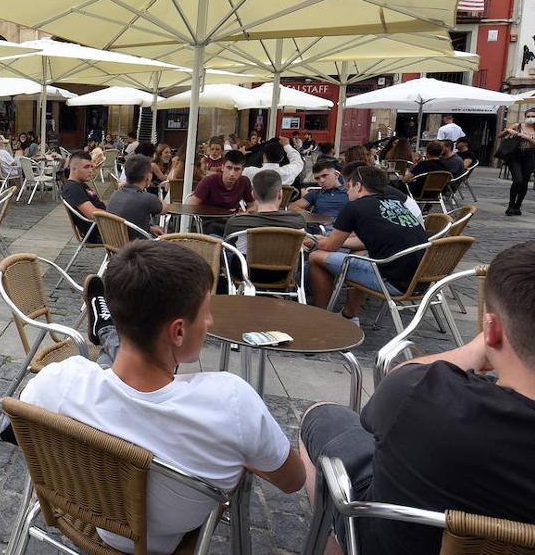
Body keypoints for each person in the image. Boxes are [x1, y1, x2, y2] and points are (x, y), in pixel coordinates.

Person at [26, 240, 303, 554]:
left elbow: (27, 427)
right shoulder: (232, 402)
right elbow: (292, 480)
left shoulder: (59, 382)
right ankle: (107, 334)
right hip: (167, 538)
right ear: (179, 331)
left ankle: (106, 331)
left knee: (110, 364)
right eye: (206, 312)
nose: (210, 322)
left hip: (91, 512)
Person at [299, 240, 535, 555]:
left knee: (319, 416)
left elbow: (392, 387)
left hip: (388, 541)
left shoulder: (420, 395)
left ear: (491, 329)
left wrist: (475, 349)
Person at [305, 165, 428, 319]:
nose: (347, 191)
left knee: (316, 257)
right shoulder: (395, 201)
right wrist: (331, 241)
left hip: (395, 282)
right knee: (359, 253)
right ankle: (349, 316)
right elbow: (368, 241)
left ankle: (320, 317)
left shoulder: (354, 207)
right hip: (423, 279)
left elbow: (330, 247)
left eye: (349, 186)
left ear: (358, 186)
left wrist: (314, 240)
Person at [224, 169, 306, 282]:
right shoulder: (297, 221)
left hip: (244, 273)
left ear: (253, 194)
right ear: (280, 194)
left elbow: (229, 247)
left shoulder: (236, 222)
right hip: (283, 274)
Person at [106, 155, 167, 236]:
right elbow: (165, 209)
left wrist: (149, 228)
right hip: (137, 246)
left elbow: (130, 221)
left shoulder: (115, 194)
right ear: (148, 176)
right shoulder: (147, 198)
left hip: (115, 244)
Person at [187, 150, 254, 214]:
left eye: (237, 169)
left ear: (242, 170)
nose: (232, 173)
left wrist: (245, 214)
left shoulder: (244, 182)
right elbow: (191, 206)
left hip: (233, 219)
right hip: (210, 219)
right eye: (229, 168)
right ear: (222, 167)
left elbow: (253, 206)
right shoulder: (208, 181)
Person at [61, 151, 103, 242]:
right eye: (86, 167)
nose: (91, 170)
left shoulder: (80, 184)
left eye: (91, 166)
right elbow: (93, 214)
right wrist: (117, 213)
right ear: (74, 169)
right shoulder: (72, 188)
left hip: (106, 227)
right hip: (100, 232)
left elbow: (98, 204)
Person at [503, 107, 535, 215]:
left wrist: (524, 136)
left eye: (533, 116)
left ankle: (518, 205)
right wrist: (508, 130)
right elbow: (500, 135)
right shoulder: (518, 126)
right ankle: (511, 205)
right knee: (518, 180)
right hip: (516, 156)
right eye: (528, 116)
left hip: (530, 156)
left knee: (524, 182)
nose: (531, 118)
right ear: (525, 117)